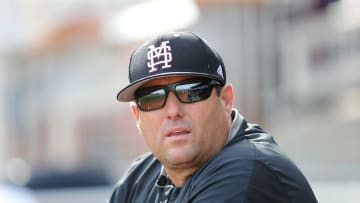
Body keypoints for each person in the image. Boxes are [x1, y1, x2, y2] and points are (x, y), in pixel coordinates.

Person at [109, 31, 317, 203]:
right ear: (137, 115)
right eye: (153, 98)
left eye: (191, 92)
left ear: (226, 100)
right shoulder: (138, 178)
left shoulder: (245, 171)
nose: (173, 111)